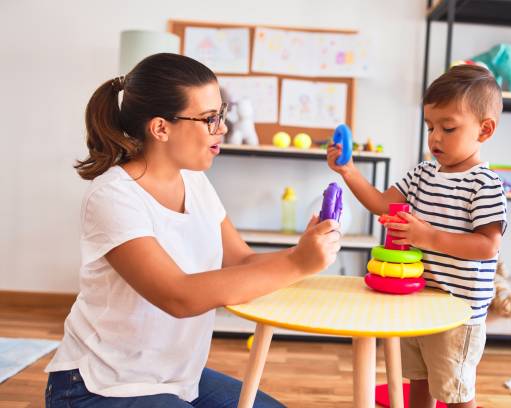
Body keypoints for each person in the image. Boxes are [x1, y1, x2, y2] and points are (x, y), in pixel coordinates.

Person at [45, 53, 341, 408]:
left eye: (222, 114)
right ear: (160, 128)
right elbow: (178, 296)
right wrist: (297, 264)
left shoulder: (195, 182)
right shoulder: (112, 196)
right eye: (209, 119)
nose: (223, 128)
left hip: (179, 377)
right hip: (100, 386)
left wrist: (307, 251)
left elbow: (241, 260)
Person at [327, 64, 507, 408]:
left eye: (448, 127)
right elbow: (380, 203)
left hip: (459, 312)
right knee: (418, 382)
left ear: (484, 130)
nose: (435, 137)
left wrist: (427, 236)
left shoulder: (486, 184)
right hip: (419, 301)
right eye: (430, 127)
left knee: (455, 393)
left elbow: (487, 246)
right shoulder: (423, 173)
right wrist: (348, 171)